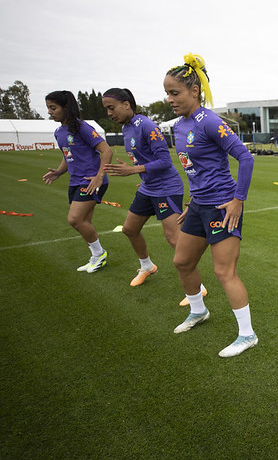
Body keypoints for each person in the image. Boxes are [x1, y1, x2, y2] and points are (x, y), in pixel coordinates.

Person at [166, 53, 258, 358]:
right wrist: (192, 204)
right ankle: (198, 311)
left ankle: (247, 335)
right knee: (182, 262)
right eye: (167, 93)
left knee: (224, 272)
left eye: (175, 92)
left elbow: (245, 157)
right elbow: (194, 169)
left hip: (222, 206)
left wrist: (238, 201)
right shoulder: (178, 126)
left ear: (195, 91)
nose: (170, 99)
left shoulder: (210, 121)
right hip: (199, 206)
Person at [101, 88, 185, 289]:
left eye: (111, 108)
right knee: (130, 229)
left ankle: (196, 286)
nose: (110, 114)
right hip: (148, 187)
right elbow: (147, 159)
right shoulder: (126, 128)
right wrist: (143, 175)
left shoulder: (146, 125)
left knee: (174, 238)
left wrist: (133, 170)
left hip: (167, 188)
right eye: (106, 110)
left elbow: (165, 161)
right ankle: (147, 266)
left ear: (127, 104)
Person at [42, 90, 113, 272]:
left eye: (53, 107)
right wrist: (58, 172)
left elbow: (107, 151)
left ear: (66, 107)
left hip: (90, 180)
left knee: (74, 219)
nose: (50, 112)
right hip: (75, 181)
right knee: (84, 223)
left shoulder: (82, 128)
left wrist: (99, 177)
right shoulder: (59, 132)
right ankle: (95, 256)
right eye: (48, 108)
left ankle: (100, 254)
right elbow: (68, 156)